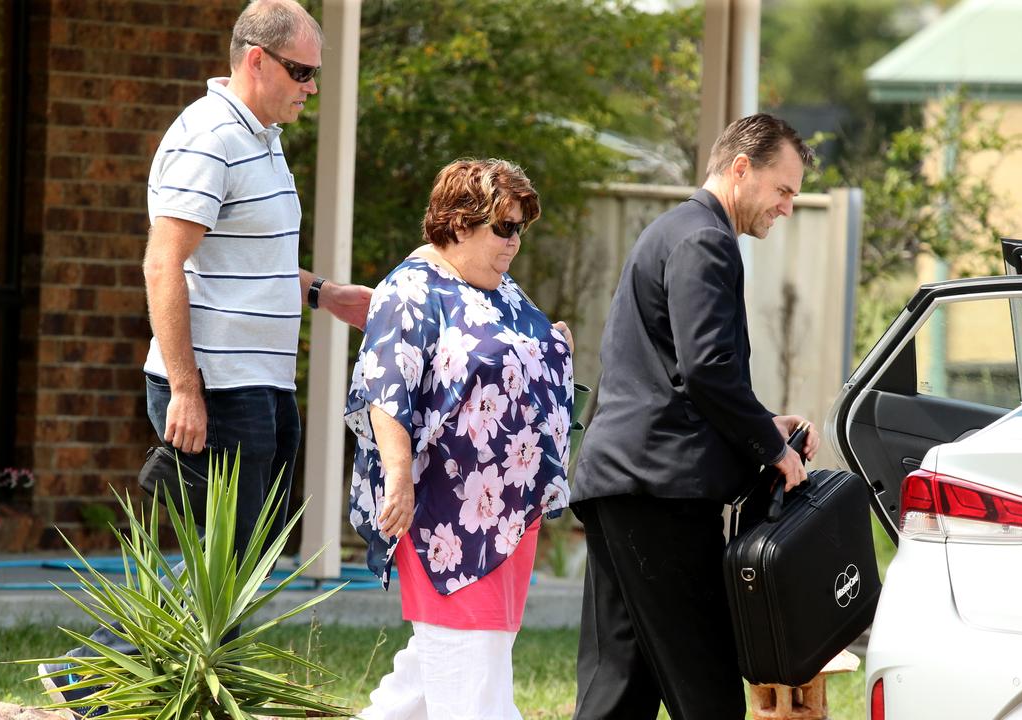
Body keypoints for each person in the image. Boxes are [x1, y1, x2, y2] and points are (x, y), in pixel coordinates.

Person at [39, 1, 372, 715]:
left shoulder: (262, 137)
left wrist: (326, 295)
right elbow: (164, 266)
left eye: (316, 73)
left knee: (243, 563)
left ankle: (116, 684)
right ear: (256, 59)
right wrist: (187, 390)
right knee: (224, 565)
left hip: (263, 385)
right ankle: (87, 678)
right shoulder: (209, 136)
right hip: (216, 389)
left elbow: (247, 261)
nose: (312, 87)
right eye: (302, 71)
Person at [569, 113, 821, 720]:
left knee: (618, 686)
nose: (788, 207)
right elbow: (708, 368)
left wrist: (767, 423)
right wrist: (772, 448)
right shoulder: (705, 239)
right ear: (741, 169)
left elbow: (676, 373)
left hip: (622, 483)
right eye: (783, 189)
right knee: (705, 691)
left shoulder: (675, 230)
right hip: (662, 495)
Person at [345, 158, 575, 719]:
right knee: (476, 686)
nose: (515, 242)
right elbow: (386, 390)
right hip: (449, 523)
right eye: (504, 227)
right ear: (457, 222)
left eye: (521, 228)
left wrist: (552, 347)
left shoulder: (498, 288)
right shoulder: (411, 291)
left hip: (507, 515)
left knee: (432, 677)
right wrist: (397, 480)